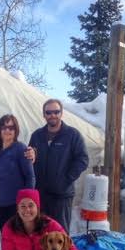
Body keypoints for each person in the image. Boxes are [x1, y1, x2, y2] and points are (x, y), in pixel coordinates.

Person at [28, 98, 89, 232]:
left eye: (56, 112)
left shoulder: (72, 135)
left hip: (61, 195)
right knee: (41, 232)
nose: (52, 115)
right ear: (44, 115)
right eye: (48, 112)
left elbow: (83, 159)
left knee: (59, 234)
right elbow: (30, 159)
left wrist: (67, 178)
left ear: (61, 113)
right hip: (41, 194)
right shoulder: (37, 136)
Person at [0, 114, 35, 230]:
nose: (7, 130)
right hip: (0, 205)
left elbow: (30, 177)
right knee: (7, 240)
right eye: (4, 127)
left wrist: (25, 205)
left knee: (19, 241)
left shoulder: (21, 149)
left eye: (11, 128)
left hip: (16, 206)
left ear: (16, 130)